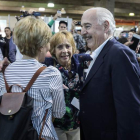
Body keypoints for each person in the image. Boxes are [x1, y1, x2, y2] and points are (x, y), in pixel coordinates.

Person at [0, 16, 66, 140]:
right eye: (48, 42)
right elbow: (59, 112)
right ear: (41, 46)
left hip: (11, 135)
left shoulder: (4, 72)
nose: (48, 47)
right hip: (42, 136)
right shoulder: (51, 74)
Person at [80, 7, 140, 140]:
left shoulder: (119, 54)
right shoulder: (99, 53)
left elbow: (129, 108)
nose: (83, 32)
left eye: (87, 26)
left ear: (106, 26)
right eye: (82, 26)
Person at [43, 31, 92, 140]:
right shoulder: (48, 66)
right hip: (55, 124)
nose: (65, 51)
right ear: (53, 51)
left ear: (73, 48)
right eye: (60, 47)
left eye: (67, 46)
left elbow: (99, 57)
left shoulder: (80, 61)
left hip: (76, 123)